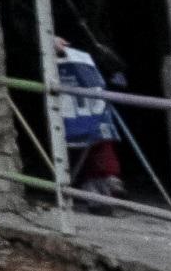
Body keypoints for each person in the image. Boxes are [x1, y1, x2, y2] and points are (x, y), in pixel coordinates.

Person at [55, 45, 128, 203]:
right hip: (75, 102)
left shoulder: (92, 47)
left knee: (100, 138)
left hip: (94, 96)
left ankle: (105, 186)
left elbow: (118, 74)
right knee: (85, 145)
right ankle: (95, 193)